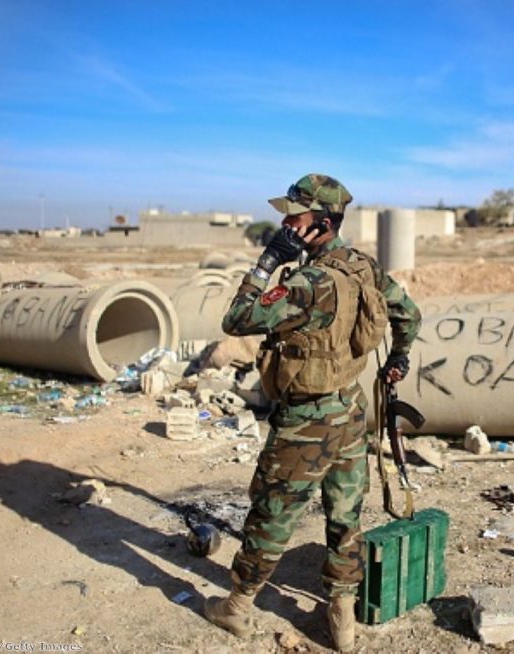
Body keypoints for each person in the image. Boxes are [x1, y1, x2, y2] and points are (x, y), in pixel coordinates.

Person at [205, 173, 421, 651]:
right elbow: (408, 313)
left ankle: (237, 608)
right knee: (345, 514)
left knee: (273, 514)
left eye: (294, 215)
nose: (284, 221)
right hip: (350, 410)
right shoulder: (362, 267)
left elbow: (236, 318)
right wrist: (399, 359)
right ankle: (341, 617)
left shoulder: (306, 283)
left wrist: (268, 261)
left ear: (320, 223)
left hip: (306, 423)